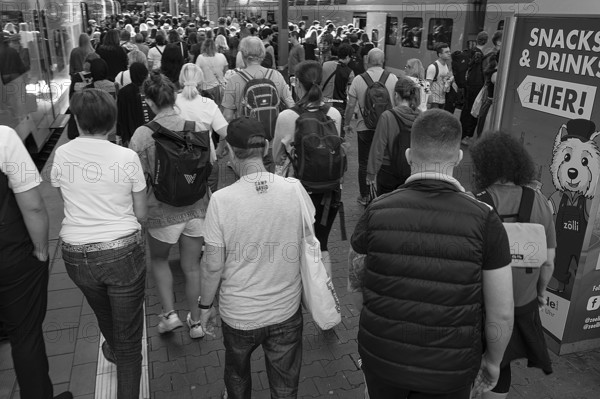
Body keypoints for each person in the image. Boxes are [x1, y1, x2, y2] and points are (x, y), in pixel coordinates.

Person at [348, 109, 514, 399]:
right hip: (451, 372)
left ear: (410, 156)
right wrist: (493, 362)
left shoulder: (375, 212)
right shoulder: (486, 221)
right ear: (459, 158)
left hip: (383, 361)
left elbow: (356, 284)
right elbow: (501, 312)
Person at [199, 117, 308, 399]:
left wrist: (205, 306)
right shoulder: (293, 189)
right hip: (285, 309)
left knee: (237, 376)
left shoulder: (221, 201)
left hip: (240, 315)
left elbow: (212, 266)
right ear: (264, 150)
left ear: (232, 153)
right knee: (285, 388)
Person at [51, 89, 147, 399]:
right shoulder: (127, 157)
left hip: (76, 256)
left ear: (77, 121)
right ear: (112, 122)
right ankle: (121, 353)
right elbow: (141, 213)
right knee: (131, 341)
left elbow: (62, 195)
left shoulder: (63, 154)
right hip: (122, 251)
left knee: (103, 313)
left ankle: (113, 347)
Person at [129, 71, 216, 339]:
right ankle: (196, 322)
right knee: (191, 266)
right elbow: (209, 165)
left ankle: (169, 315)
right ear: (174, 97)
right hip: (196, 207)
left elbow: (136, 179)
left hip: (162, 212)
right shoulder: (196, 127)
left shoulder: (143, 135)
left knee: (159, 259)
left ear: (150, 102)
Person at [470, 133, 555, 399]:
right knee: (502, 362)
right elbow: (549, 260)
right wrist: (540, 293)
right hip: (523, 304)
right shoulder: (539, 201)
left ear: (483, 166)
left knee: (478, 358)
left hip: (482, 305)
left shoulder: (476, 202)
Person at [0, 126, 73, 399]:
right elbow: (33, 206)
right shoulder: (3, 138)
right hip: (11, 256)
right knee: (25, 335)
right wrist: (42, 250)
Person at [273, 60, 342, 276]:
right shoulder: (335, 114)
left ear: (297, 85)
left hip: (297, 190)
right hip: (329, 191)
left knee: (293, 246)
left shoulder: (287, 117)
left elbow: (276, 156)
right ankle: (325, 295)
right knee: (321, 245)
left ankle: (296, 295)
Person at [343, 48, 397, 206]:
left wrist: (347, 124)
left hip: (364, 127)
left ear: (368, 61)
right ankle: (382, 196)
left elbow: (351, 105)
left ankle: (365, 196)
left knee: (364, 162)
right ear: (382, 61)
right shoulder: (392, 78)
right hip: (386, 126)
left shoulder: (359, 79)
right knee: (384, 160)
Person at [366, 76, 421, 195]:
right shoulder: (421, 117)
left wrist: (371, 173)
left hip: (388, 170)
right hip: (413, 170)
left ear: (396, 95)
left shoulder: (387, 116)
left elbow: (378, 147)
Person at [222, 36, 294, 122]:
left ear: (242, 54)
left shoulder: (234, 79)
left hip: (246, 132)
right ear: (263, 53)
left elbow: (227, 116)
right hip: (272, 131)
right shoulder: (276, 75)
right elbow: (291, 106)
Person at [461, 31, 489, 146]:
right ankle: (466, 135)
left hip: (468, 84)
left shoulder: (470, 51)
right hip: (476, 85)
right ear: (486, 42)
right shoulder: (480, 55)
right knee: (473, 110)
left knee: (466, 108)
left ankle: (461, 132)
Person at [117, 62, 154, 146]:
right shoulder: (153, 88)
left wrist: (121, 135)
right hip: (153, 134)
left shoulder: (124, 92)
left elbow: (121, 117)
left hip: (132, 136)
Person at [321, 43, 354, 131]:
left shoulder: (325, 65)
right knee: (338, 134)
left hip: (324, 104)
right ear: (347, 57)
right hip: (339, 106)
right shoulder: (350, 72)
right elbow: (350, 95)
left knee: (323, 132)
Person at [477, 31, 502, 137]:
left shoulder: (491, 55)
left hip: (489, 101)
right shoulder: (495, 71)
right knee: (486, 130)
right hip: (490, 101)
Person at [195, 38, 228, 105]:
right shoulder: (222, 56)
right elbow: (226, 72)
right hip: (219, 88)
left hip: (205, 88)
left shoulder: (200, 58)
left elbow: (197, 74)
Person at [426, 42, 454, 109]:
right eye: (446, 52)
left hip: (442, 100)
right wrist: (427, 101)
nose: (449, 53)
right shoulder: (433, 67)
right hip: (434, 101)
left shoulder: (446, 66)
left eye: (449, 51)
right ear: (440, 54)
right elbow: (427, 85)